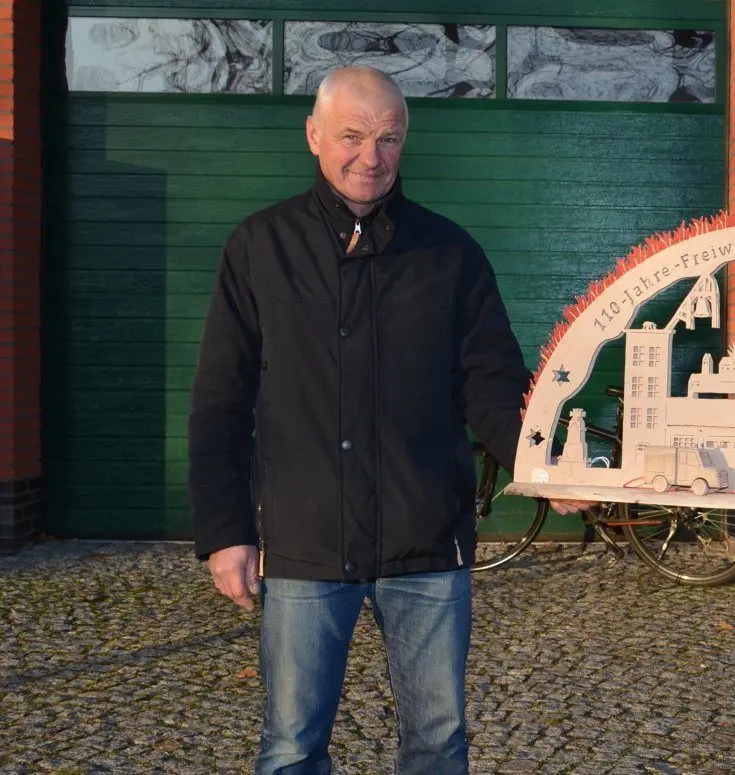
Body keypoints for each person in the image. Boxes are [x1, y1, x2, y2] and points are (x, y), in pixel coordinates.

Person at [187, 65, 587, 774]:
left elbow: (491, 383)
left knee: (438, 743)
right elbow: (221, 401)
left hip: (426, 543)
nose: (370, 157)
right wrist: (226, 533)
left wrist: (540, 465)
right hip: (306, 545)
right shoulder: (259, 249)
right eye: (351, 136)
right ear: (313, 135)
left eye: (388, 138)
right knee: (291, 746)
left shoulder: (450, 254)